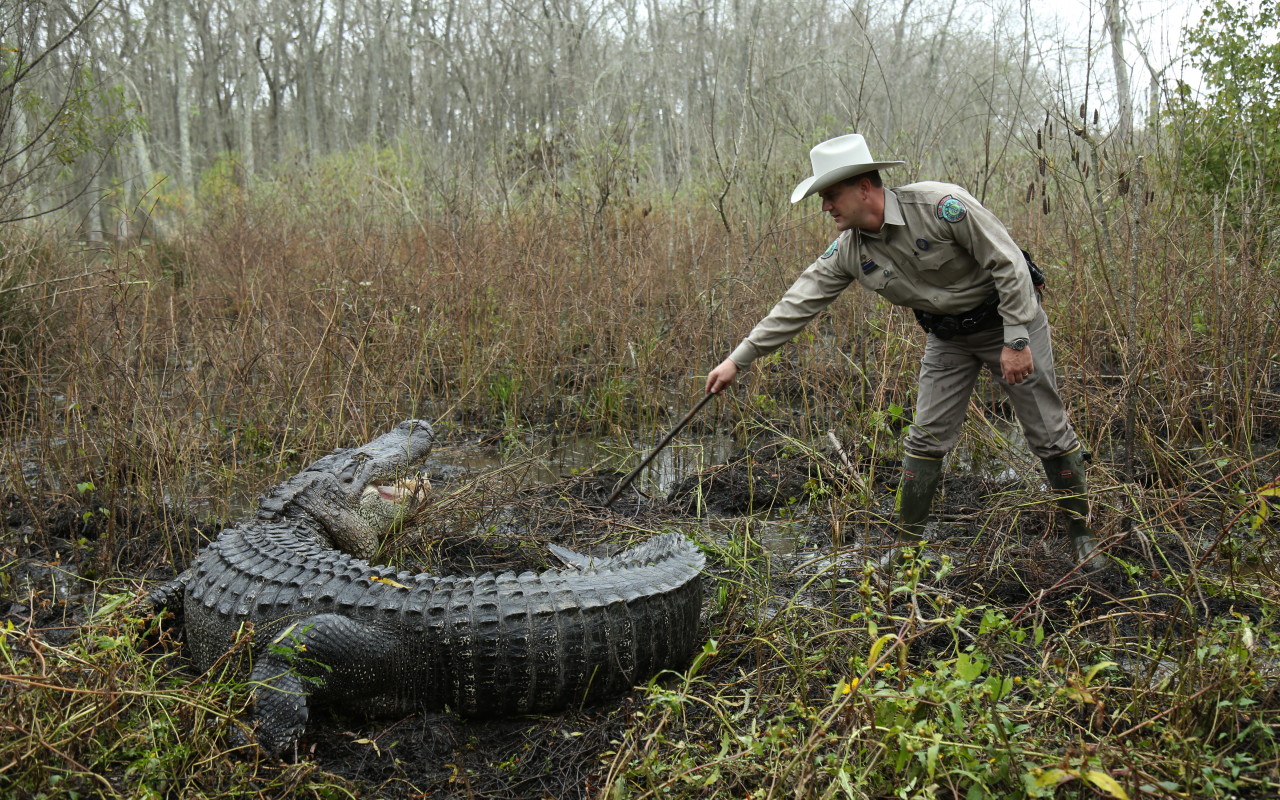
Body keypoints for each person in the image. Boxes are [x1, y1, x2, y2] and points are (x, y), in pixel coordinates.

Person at [704, 133, 1100, 567]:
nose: (825, 207)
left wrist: (1018, 340)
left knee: (1046, 430)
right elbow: (797, 302)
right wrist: (737, 360)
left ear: (864, 187)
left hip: (1007, 322)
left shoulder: (941, 206)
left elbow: (1008, 264)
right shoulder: (849, 251)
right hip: (948, 339)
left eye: (831, 195)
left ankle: (1081, 536)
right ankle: (908, 547)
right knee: (925, 437)